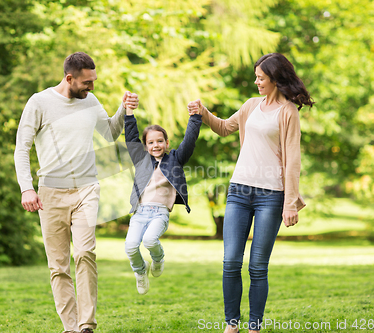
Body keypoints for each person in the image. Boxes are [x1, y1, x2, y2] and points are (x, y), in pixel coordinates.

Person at [188, 53, 314, 333]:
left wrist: (290, 203)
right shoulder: (250, 106)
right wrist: (203, 111)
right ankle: (231, 325)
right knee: (231, 261)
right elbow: (223, 128)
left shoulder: (288, 112)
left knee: (257, 266)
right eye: (256, 76)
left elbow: (293, 159)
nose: (256, 81)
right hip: (239, 191)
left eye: (261, 77)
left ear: (275, 80)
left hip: (272, 196)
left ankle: (254, 327)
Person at [14, 52, 139, 333]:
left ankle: (86, 325)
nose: (91, 87)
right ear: (69, 78)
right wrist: (26, 189)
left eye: (93, 81)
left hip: (86, 188)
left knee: (85, 253)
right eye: (86, 82)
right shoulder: (40, 102)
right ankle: (70, 328)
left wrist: (123, 109)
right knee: (58, 266)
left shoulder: (90, 101)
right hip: (50, 194)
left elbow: (109, 133)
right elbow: (22, 148)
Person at [123, 100, 202, 295]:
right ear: (145, 146)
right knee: (131, 246)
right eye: (150, 142)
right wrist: (129, 112)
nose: (155, 145)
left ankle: (158, 259)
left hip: (159, 214)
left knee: (150, 240)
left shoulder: (175, 158)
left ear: (167, 143)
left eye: (160, 141)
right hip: (139, 213)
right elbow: (131, 137)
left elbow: (189, 141)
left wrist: (195, 117)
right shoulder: (141, 160)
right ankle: (140, 272)